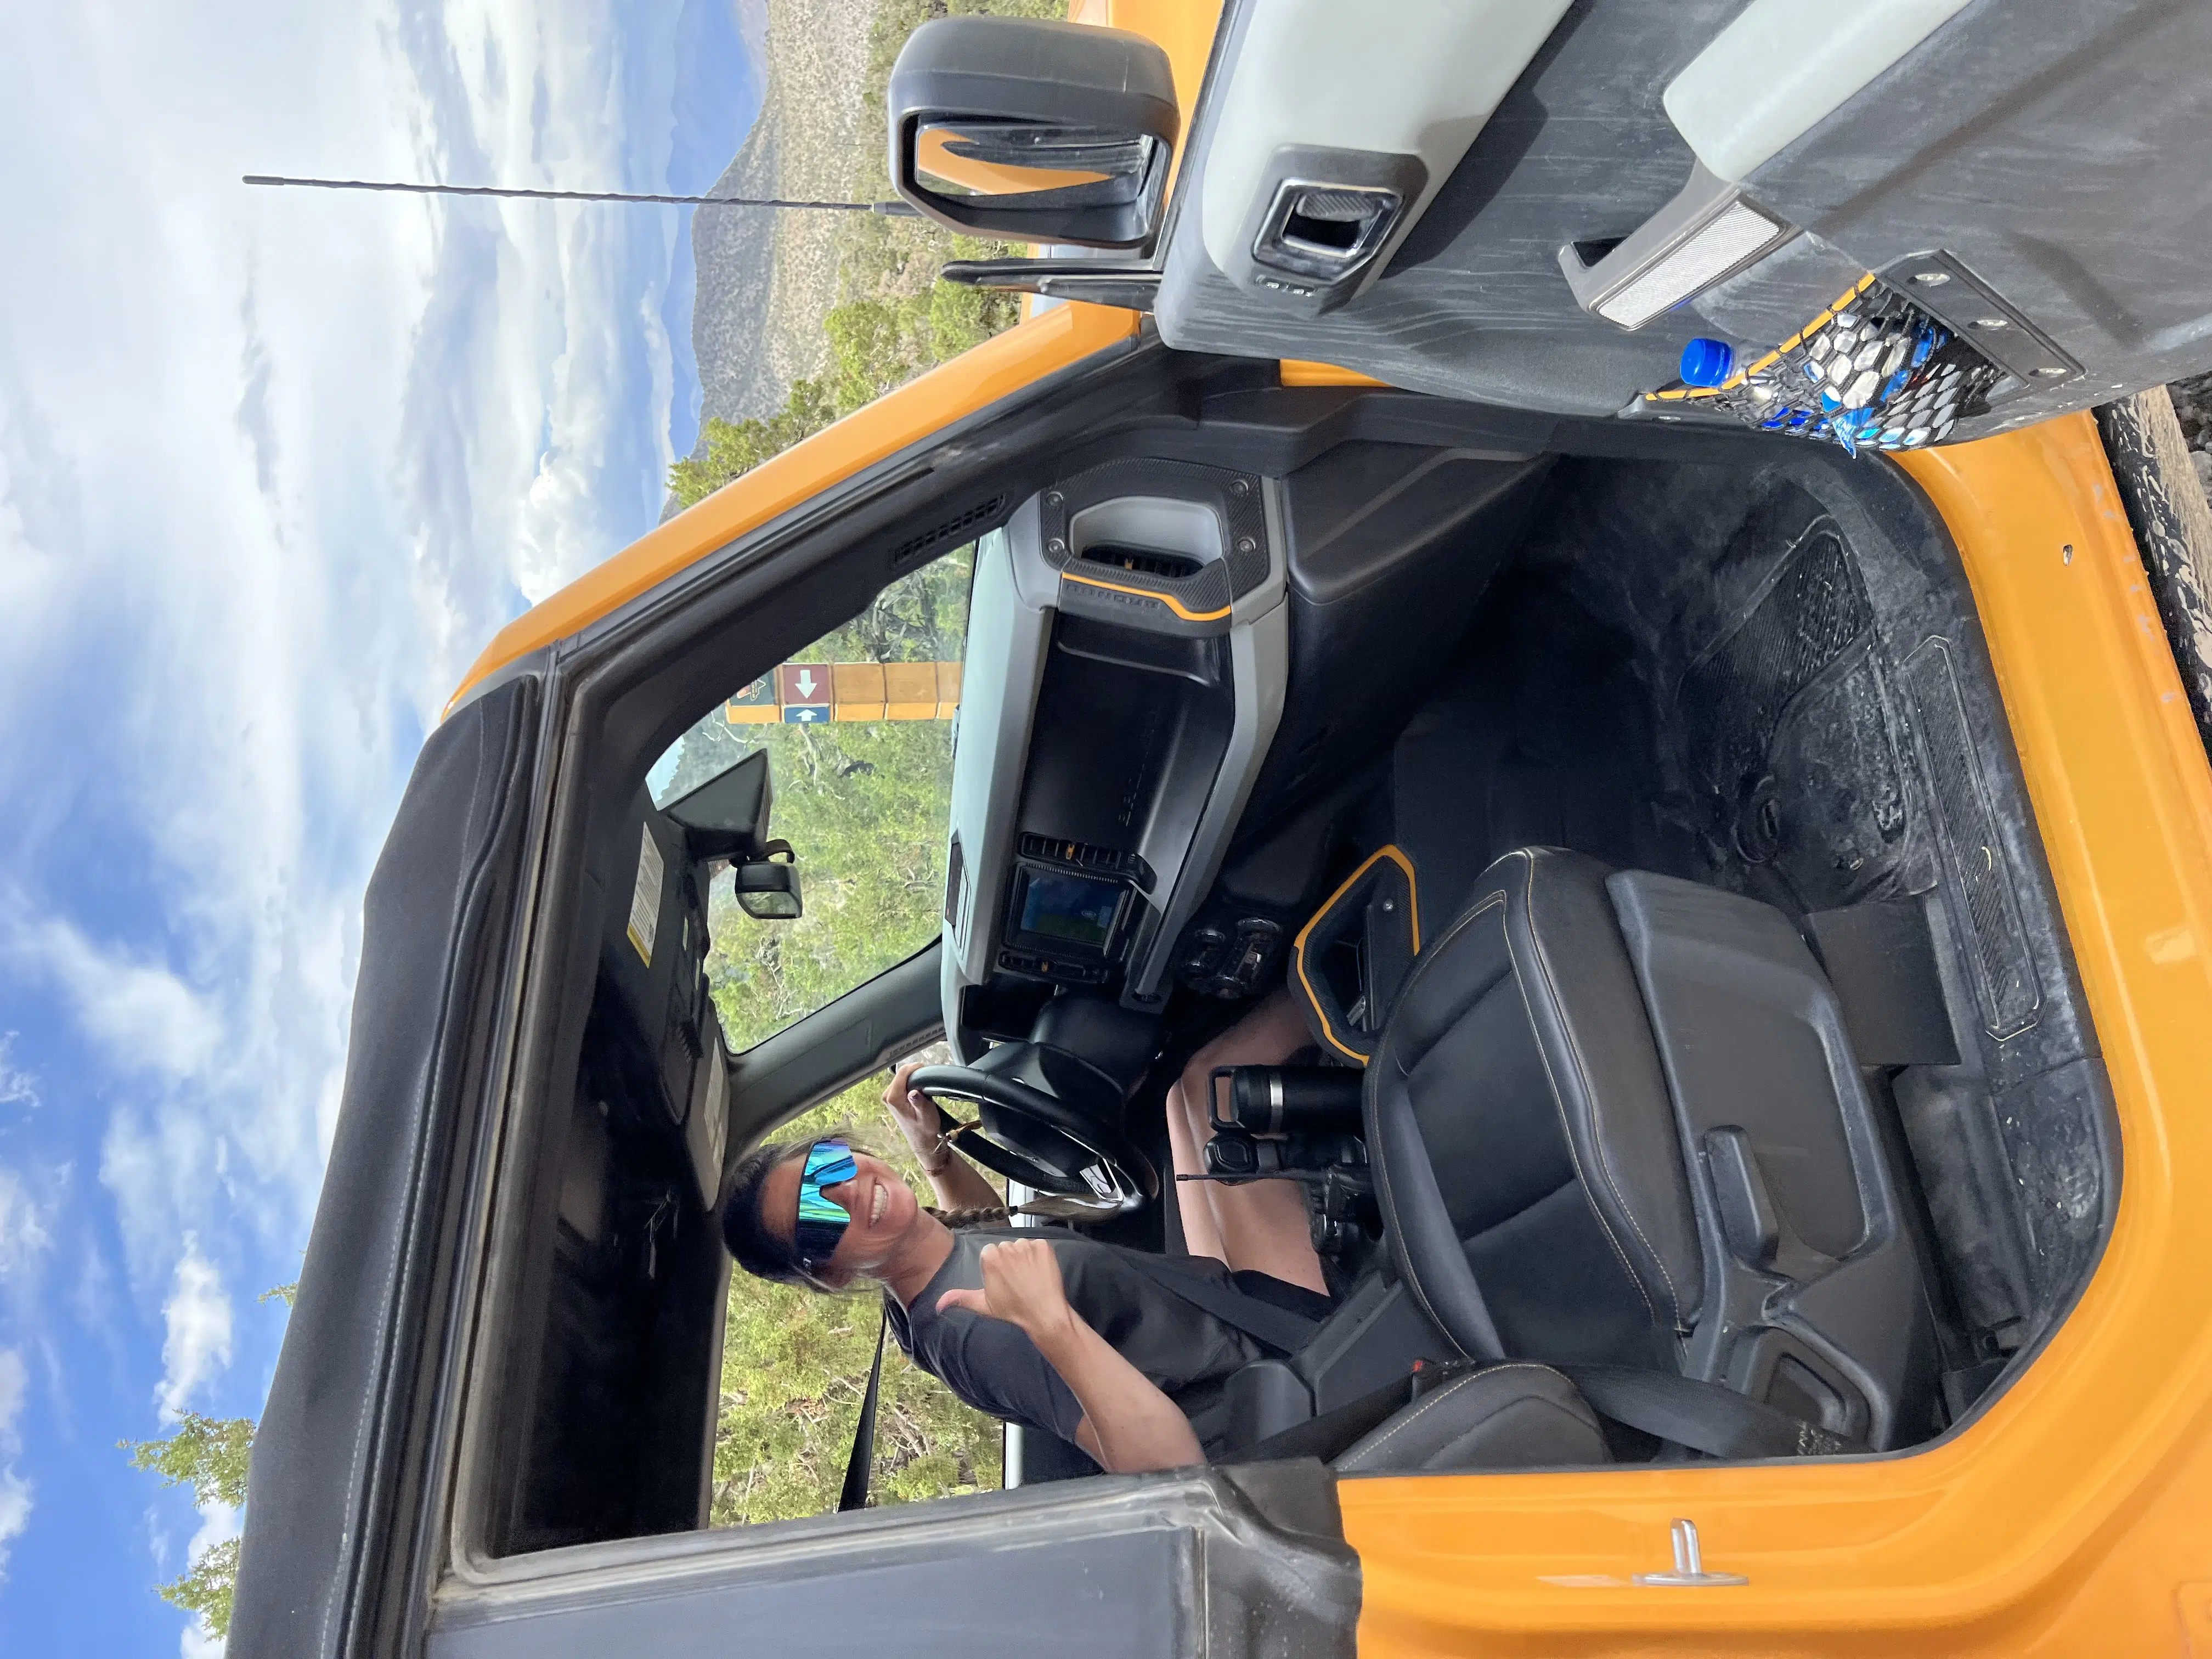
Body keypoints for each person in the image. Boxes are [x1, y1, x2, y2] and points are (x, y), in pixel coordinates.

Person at [719, 990, 1328, 1474]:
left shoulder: (918, 1287)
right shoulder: (979, 1336)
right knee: (1215, 1079)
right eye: (819, 1218)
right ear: (830, 1271)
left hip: (1209, 1305)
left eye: (827, 1168)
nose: (847, 1192)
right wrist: (1053, 1326)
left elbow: (984, 1235)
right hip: (1277, 1361)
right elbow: (1167, 1468)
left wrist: (935, 1156)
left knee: (1180, 1102)